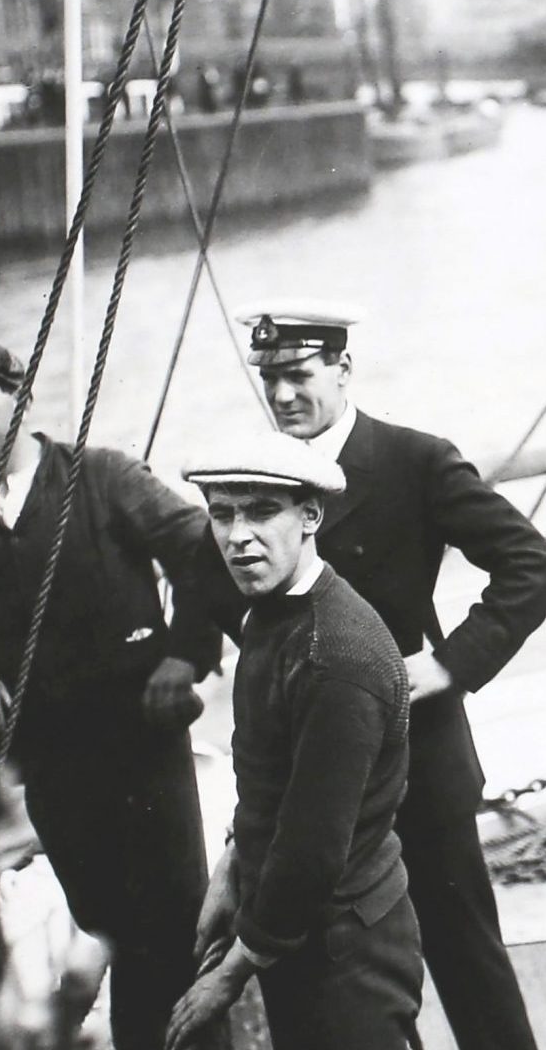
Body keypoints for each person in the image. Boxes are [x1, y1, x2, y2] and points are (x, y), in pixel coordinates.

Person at [199, 299, 546, 1050]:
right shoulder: (262, 484)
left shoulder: (413, 459)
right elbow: (222, 589)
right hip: (318, 770)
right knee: (348, 979)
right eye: (269, 380)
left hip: (418, 761)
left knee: (467, 961)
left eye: (298, 375)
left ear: (343, 367)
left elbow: (530, 565)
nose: (283, 396)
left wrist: (450, 665)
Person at [0, 342, 222, 1050]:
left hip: (143, 744)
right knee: (107, 921)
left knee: (175, 927)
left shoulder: (104, 476)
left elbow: (204, 553)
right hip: (49, 759)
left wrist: (186, 655)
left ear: (20, 395)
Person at [166, 432, 422, 1050]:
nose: (237, 536)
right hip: (299, 932)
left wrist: (228, 978)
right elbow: (271, 777)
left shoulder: (335, 658)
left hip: (346, 949)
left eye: (260, 511)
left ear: (311, 516)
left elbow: (312, 848)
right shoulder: (275, 612)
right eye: (222, 513)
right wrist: (234, 864)